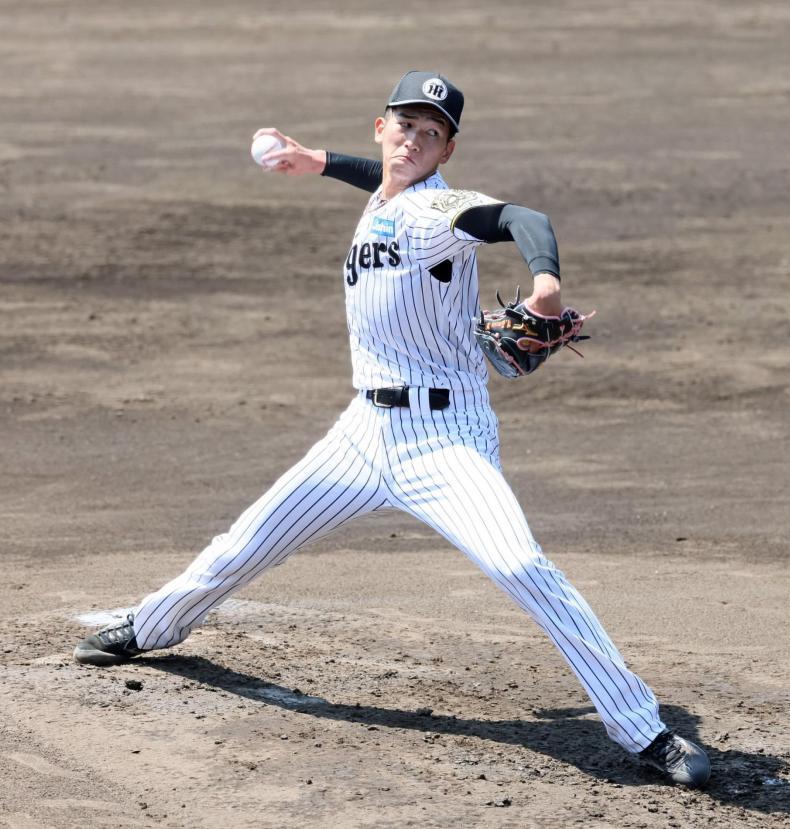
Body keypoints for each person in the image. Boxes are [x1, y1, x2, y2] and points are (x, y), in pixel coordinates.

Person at [74, 71, 711, 787]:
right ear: (380, 128)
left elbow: (522, 219)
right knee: (246, 540)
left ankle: (647, 730)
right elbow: (381, 189)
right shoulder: (387, 198)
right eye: (403, 125)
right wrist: (316, 162)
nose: (413, 139)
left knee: (522, 566)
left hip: (444, 443)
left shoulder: (442, 213)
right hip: (360, 433)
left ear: (448, 151)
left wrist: (545, 284)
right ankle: (153, 626)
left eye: (430, 133)